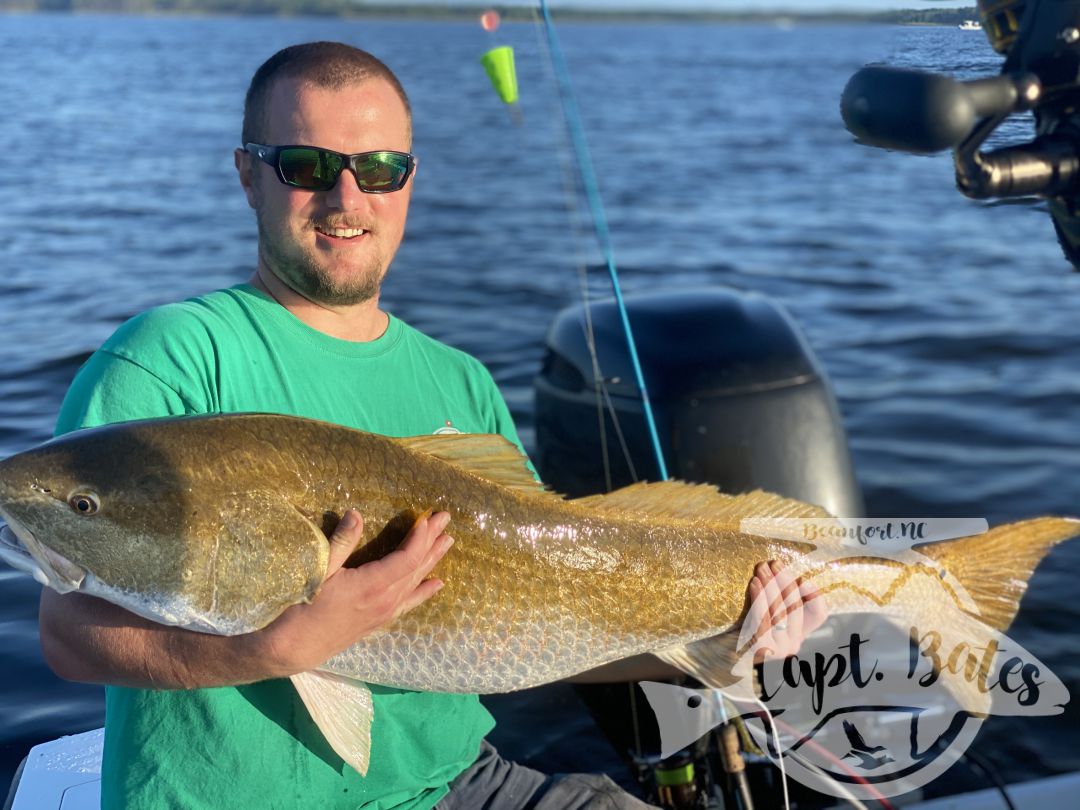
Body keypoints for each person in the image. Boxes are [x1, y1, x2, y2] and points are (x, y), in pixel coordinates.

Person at [37, 42, 823, 809]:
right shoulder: (167, 358)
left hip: (458, 784)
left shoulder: (461, 382)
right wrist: (269, 650)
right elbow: (68, 636)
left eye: (379, 170)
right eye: (307, 166)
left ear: (409, 182)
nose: (348, 200)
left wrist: (728, 636)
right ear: (249, 174)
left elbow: (548, 626)